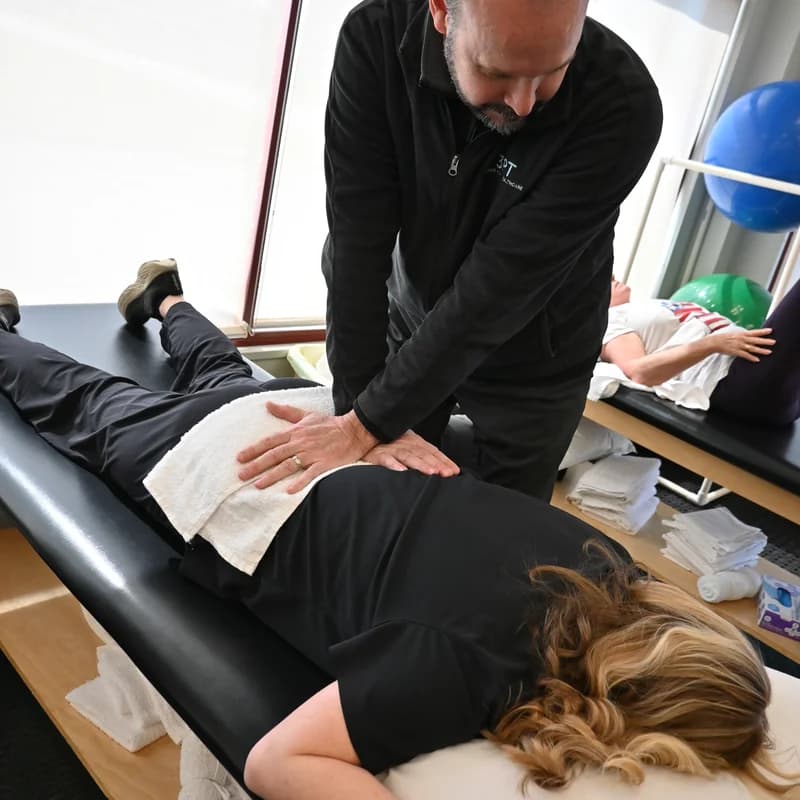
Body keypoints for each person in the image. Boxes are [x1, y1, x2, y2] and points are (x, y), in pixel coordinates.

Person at [1, 263, 796, 800]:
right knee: (82, 402)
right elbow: (279, 762)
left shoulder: (608, 560)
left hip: (327, 428)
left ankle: (169, 300)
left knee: (226, 375)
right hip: (241, 475)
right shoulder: (475, 669)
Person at [235, 0, 664, 502]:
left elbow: (501, 286)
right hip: (412, 315)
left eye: (552, 73)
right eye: (496, 71)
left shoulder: (622, 101)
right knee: (378, 499)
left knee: (503, 540)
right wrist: (358, 413)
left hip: (539, 352)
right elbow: (357, 243)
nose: (524, 103)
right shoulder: (375, 39)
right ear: (441, 11)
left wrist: (367, 421)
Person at [599, 276, 800, 426]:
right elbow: (640, 372)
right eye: (607, 280)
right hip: (738, 381)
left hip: (772, 389)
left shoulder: (643, 305)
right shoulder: (608, 321)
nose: (614, 278)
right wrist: (712, 344)